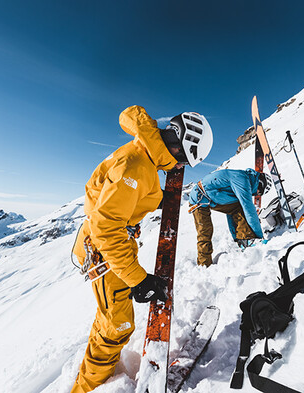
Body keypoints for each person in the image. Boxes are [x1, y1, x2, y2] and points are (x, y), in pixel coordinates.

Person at [70, 105, 213, 393]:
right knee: (117, 326)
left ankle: (97, 376)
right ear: (176, 145)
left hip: (113, 246)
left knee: (110, 319)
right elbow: (106, 226)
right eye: (183, 159)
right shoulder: (135, 165)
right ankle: (86, 389)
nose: (180, 167)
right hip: (103, 249)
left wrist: (153, 198)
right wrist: (139, 279)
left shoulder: (145, 155)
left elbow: (128, 196)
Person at [188, 168, 272, 266]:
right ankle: (204, 265)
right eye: (260, 192)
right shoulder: (242, 178)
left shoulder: (243, 181)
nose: (257, 194)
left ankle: (245, 239)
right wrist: (259, 236)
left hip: (212, 196)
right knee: (205, 231)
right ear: (260, 183)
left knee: (237, 207)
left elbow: (231, 212)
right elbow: (248, 208)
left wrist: (235, 237)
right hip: (198, 197)